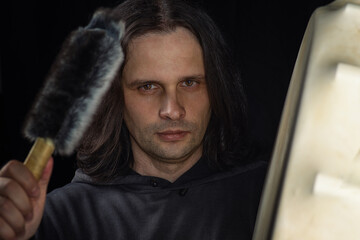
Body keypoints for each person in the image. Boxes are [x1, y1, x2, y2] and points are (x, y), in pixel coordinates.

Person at [0, 0, 267, 239]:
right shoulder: (56, 219)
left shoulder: (269, 193)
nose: (172, 110)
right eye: (148, 87)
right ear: (114, 97)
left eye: (189, 83)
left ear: (216, 88)